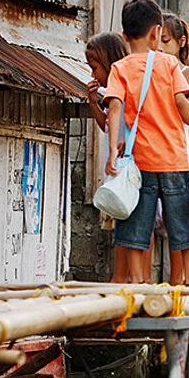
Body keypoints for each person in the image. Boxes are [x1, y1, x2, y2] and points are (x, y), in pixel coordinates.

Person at [104, 0, 189, 285]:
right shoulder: (168, 63)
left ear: (125, 36)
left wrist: (112, 154)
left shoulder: (120, 68)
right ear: (156, 32)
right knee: (183, 223)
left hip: (139, 162)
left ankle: (139, 281)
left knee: (137, 223)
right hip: (175, 160)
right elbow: (181, 101)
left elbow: (114, 106)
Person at [84, 32, 136, 283]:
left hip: (128, 167)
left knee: (127, 222)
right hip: (117, 166)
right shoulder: (111, 91)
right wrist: (94, 103)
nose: (94, 75)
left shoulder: (126, 86)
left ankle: (123, 277)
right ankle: (122, 276)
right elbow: (107, 126)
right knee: (120, 221)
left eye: (95, 68)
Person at [157, 11, 189, 285]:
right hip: (153, 153)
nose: (161, 48)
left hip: (179, 154)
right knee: (155, 224)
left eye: (166, 41)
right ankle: (166, 282)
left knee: (181, 221)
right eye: (157, 42)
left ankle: (186, 281)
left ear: (181, 42)